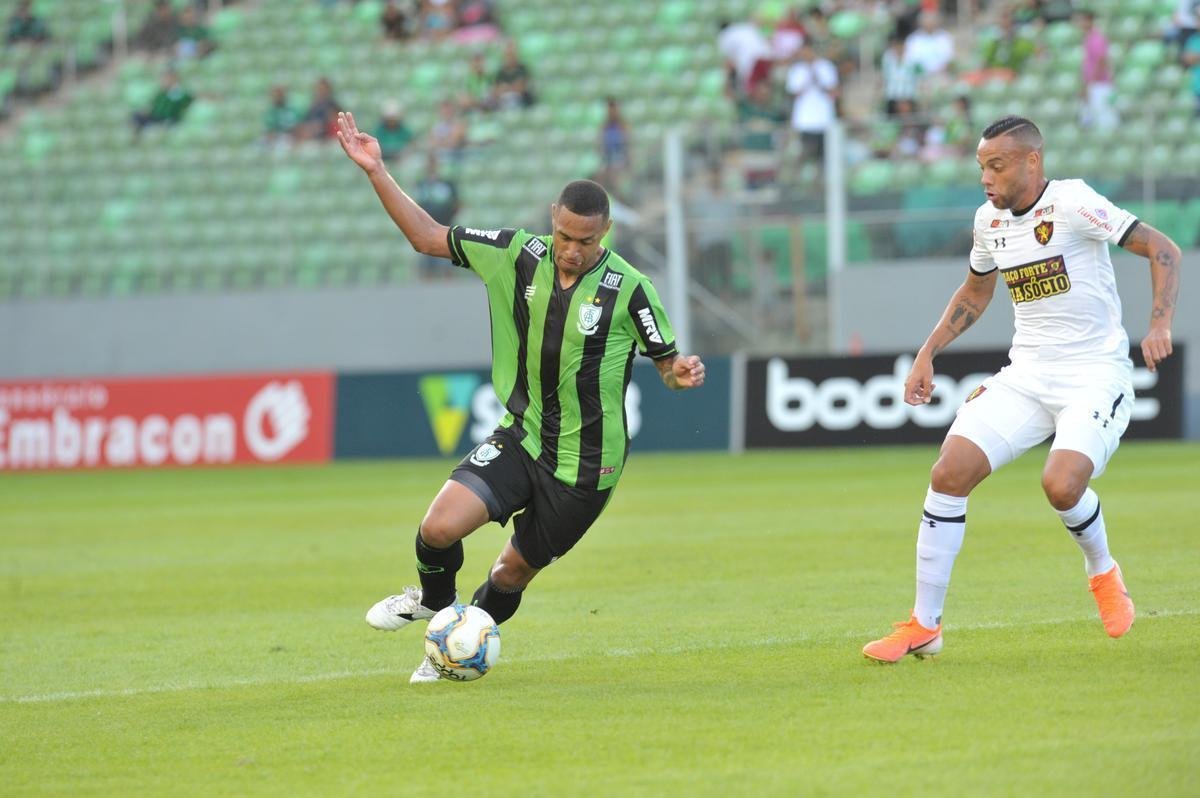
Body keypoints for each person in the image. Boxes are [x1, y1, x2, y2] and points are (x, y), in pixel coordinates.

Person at [334, 110, 706, 683]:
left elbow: (667, 367)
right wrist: (377, 170)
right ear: (551, 222)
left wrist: (680, 373)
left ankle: (453, 651)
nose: (571, 250)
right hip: (523, 434)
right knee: (437, 529)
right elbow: (426, 237)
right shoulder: (515, 253)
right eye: (564, 236)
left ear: (603, 234)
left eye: (585, 241)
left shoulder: (631, 290)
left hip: (585, 468)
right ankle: (436, 603)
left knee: (510, 573)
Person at [862, 116, 1181, 663]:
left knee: (1060, 484)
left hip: (1093, 372)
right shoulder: (988, 221)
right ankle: (925, 625)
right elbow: (975, 290)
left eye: (997, 165)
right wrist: (927, 351)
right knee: (948, 473)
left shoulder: (1074, 202)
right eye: (981, 166)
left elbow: (1164, 249)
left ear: (1032, 161)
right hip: (1027, 374)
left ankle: (1102, 571)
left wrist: (1158, 324)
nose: (986, 177)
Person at [412, 152, 459, 279]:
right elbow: (416, 205)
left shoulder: (448, 184)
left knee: (447, 260)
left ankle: (449, 285)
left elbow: (456, 203)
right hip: (426, 229)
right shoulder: (421, 184)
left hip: (445, 228)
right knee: (427, 262)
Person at [1078, 11, 1116, 129]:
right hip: (1094, 84)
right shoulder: (1088, 38)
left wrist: (1091, 82)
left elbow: (1101, 60)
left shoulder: (1096, 38)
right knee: (1092, 118)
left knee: (1105, 118)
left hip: (1100, 84)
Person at [131, 71, 193, 138]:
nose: (163, 81)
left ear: (174, 79)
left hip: (169, 119)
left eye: (166, 79)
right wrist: (147, 110)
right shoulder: (161, 93)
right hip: (156, 117)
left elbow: (178, 106)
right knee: (137, 115)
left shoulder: (179, 92)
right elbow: (154, 105)